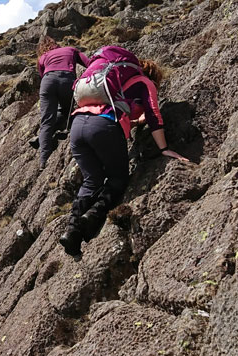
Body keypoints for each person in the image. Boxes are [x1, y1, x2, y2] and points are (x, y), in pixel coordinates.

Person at [58, 45, 190, 257]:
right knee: (118, 178)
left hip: (77, 126)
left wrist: (135, 122)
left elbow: (123, 113)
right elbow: (154, 114)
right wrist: (164, 148)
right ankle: (92, 216)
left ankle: (71, 231)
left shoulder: (111, 82)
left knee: (91, 180)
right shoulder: (144, 82)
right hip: (103, 126)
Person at [34, 36, 90, 168]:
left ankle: (43, 159)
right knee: (70, 110)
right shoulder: (71, 49)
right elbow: (88, 63)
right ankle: (68, 131)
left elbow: (43, 75)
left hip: (48, 81)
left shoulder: (42, 57)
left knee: (46, 120)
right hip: (67, 79)